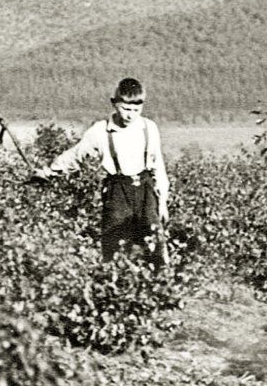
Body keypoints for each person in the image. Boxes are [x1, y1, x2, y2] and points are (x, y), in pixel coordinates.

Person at [36, 77, 170, 261]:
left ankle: (158, 286)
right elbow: (75, 156)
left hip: (146, 192)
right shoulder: (100, 131)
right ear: (114, 104)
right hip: (117, 193)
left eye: (136, 110)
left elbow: (159, 168)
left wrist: (162, 203)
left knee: (155, 246)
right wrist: (49, 171)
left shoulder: (149, 128)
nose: (130, 115)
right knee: (114, 248)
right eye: (126, 109)